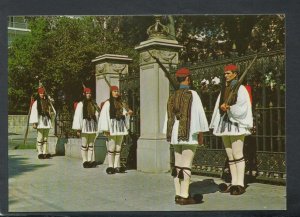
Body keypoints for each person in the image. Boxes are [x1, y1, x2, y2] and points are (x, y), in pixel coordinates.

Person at [163, 68, 209, 205]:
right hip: (189, 132)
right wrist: (200, 132)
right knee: (186, 164)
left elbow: (168, 117)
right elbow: (199, 114)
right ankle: (184, 195)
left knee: (178, 164)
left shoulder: (172, 95)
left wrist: (169, 133)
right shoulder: (192, 94)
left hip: (175, 133)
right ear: (188, 78)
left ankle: (178, 194)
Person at [210, 64, 253, 195]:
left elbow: (243, 106)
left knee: (237, 153)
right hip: (224, 124)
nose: (226, 75)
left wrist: (229, 108)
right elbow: (219, 105)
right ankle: (233, 182)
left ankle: (240, 184)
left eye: (228, 73)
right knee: (230, 155)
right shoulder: (224, 89)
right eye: (225, 73)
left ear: (235, 74)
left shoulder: (241, 89)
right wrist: (222, 108)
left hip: (236, 124)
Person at [98, 86, 133, 175]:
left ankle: (117, 165)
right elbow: (104, 116)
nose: (116, 93)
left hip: (120, 126)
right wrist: (106, 129)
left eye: (117, 91)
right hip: (112, 126)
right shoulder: (108, 103)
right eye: (114, 91)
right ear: (111, 92)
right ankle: (111, 166)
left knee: (118, 147)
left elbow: (124, 113)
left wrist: (127, 114)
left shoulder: (121, 103)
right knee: (112, 146)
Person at [72, 87, 99, 168]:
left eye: (90, 93)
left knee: (91, 144)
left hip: (92, 126)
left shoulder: (94, 103)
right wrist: (78, 129)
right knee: (84, 144)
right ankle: (85, 161)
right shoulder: (81, 104)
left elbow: (97, 114)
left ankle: (90, 160)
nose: (89, 95)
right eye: (87, 93)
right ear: (84, 94)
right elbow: (78, 116)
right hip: (84, 126)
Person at [29, 87, 56, 159]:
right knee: (40, 137)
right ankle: (40, 152)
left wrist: (49, 98)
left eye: (43, 93)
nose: (42, 94)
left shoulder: (47, 100)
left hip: (46, 120)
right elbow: (34, 112)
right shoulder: (36, 102)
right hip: (40, 121)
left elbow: (52, 105)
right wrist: (34, 123)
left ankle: (45, 152)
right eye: (41, 93)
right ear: (39, 93)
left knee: (45, 138)